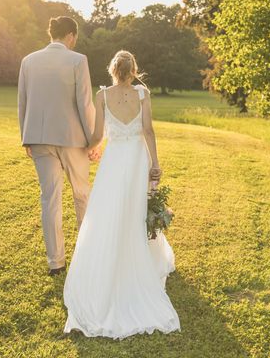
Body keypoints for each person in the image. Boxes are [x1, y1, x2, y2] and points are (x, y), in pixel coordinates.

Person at [63, 50, 180, 339]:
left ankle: (112, 262)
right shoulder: (143, 94)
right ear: (133, 70)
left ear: (113, 70)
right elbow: (148, 131)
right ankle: (137, 261)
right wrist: (155, 162)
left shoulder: (102, 96)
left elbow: (97, 135)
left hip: (114, 160)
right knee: (135, 210)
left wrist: (86, 147)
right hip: (136, 158)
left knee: (109, 211)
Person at [17, 16, 100, 276]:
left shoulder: (28, 61)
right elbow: (85, 103)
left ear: (51, 33)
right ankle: (86, 257)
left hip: (39, 138)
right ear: (71, 36)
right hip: (73, 139)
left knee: (49, 199)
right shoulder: (78, 60)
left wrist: (26, 137)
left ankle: (56, 263)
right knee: (82, 195)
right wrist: (94, 140)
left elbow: (23, 102)